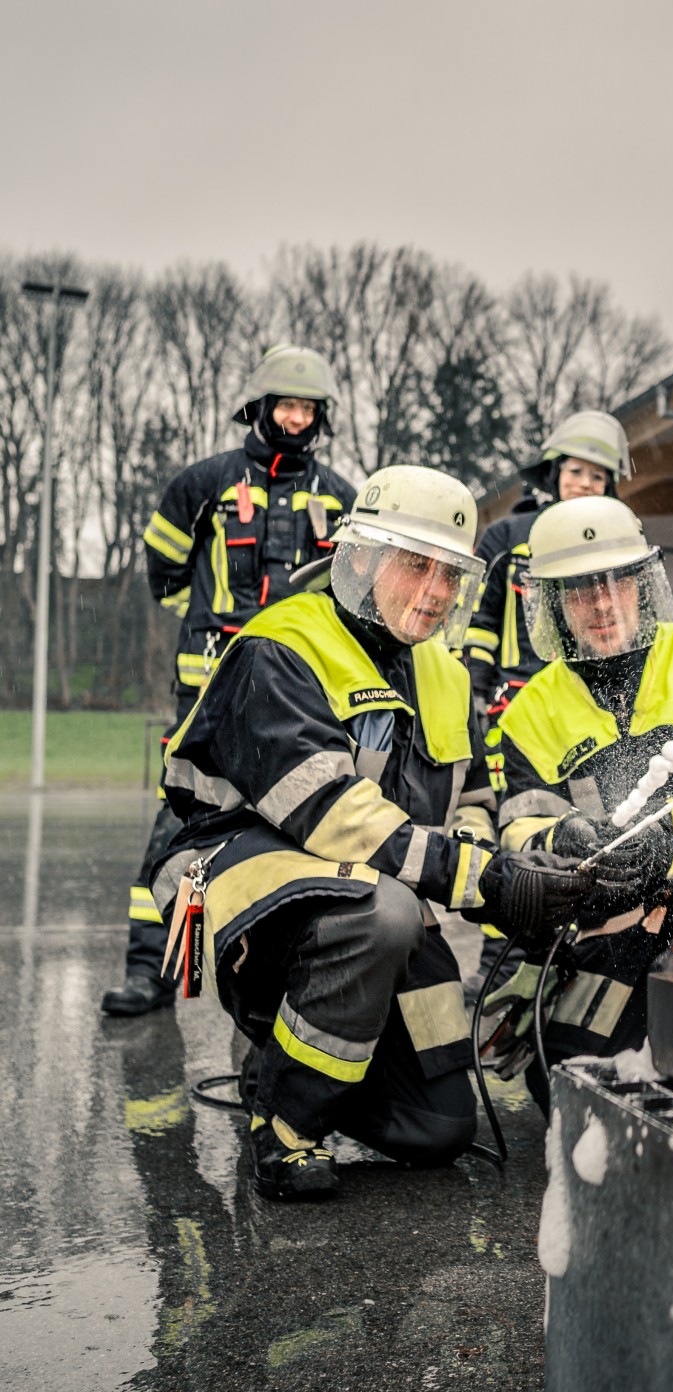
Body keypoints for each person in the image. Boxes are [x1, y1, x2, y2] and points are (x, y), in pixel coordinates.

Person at [152, 465, 595, 1199]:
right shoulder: (282, 646)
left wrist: (522, 871)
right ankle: (287, 1128)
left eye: (450, 574)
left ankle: (288, 1062)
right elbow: (332, 811)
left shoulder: (445, 675)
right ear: (360, 558)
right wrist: (481, 881)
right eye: (415, 565)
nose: (435, 592)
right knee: (382, 914)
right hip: (242, 889)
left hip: (366, 889)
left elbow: (472, 800)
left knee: (438, 1128)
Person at [479, 496, 673, 1108]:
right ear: (550, 604)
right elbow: (518, 829)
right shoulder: (529, 712)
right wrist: (558, 839)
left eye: (617, 581)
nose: (601, 604)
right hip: (607, 920)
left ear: (643, 584)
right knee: (568, 1084)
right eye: (579, 590)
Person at [104, 345, 356, 1016]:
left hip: (302, 695)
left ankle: (303, 982)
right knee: (183, 826)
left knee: (311, 824)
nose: (296, 418)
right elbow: (163, 571)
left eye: (308, 408)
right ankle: (152, 973)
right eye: (286, 405)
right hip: (209, 696)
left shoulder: (341, 498)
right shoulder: (203, 483)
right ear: (260, 407)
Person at [459, 412, 631, 1000]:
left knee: (585, 829)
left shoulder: (617, 540)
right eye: (576, 471)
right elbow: (480, 624)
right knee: (517, 826)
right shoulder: (509, 538)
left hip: (581, 707)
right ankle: (499, 963)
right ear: (554, 472)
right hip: (514, 706)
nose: (584, 483)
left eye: (597, 475)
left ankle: (579, 954)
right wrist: (476, 692)